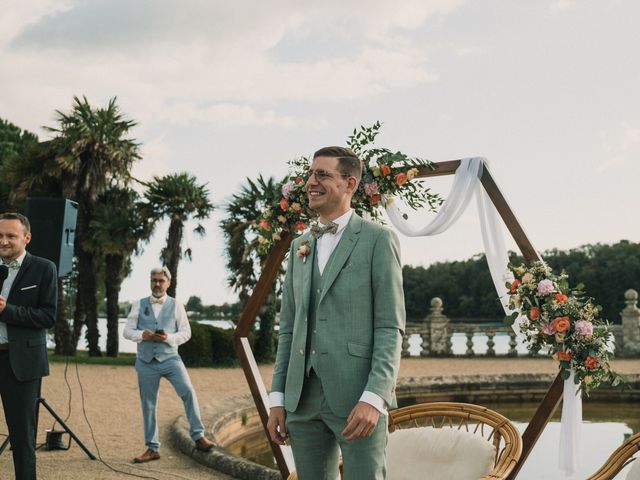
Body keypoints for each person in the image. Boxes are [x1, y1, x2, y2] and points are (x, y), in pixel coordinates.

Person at [267, 147, 406, 480]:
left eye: (323, 175)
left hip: (358, 397)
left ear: (350, 184)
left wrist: (375, 398)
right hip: (301, 400)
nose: (311, 182)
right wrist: (278, 398)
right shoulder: (300, 245)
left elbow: (390, 326)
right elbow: (288, 329)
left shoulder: (378, 240)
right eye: (311, 174)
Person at [123, 266, 214, 463]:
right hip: (146, 361)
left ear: (168, 283)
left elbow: (186, 333)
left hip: (171, 359)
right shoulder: (138, 304)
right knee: (148, 404)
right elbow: (127, 331)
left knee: (188, 392)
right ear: (150, 282)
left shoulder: (177, 305)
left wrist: (169, 338)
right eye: (154, 280)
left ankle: (198, 436)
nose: (157, 284)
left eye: (161, 281)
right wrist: (141, 335)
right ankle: (152, 448)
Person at [0, 212, 57, 480]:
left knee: (22, 439)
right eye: (0, 236)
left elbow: (48, 316)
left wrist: (6, 310)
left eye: (11, 235)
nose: (4, 241)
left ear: (27, 237)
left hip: (20, 364)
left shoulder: (44, 268)